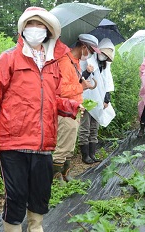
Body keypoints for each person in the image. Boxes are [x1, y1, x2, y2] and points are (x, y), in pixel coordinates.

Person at [0, 7, 81, 232]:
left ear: (48, 31)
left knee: (40, 196)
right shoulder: (9, 58)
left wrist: (72, 106)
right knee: (16, 197)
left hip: (43, 145)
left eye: (39, 25)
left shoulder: (52, 63)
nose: (34, 29)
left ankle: (36, 229)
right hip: (13, 143)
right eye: (30, 25)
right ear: (22, 29)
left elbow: (51, 100)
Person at [52, 34, 100, 182]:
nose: (90, 55)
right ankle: (55, 178)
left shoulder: (75, 62)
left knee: (69, 147)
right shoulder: (65, 62)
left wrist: (84, 84)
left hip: (75, 109)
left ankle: (65, 174)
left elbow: (73, 84)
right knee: (62, 147)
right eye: (91, 51)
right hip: (66, 111)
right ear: (84, 47)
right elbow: (60, 90)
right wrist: (81, 86)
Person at [78, 38, 116, 164]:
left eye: (107, 55)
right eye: (103, 53)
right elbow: (79, 80)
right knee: (85, 126)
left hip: (99, 99)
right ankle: (85, 155)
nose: (104, 57)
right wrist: (87, 72)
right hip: (86, 98)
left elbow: (108, 82)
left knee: (95, 126)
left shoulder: (104, 66)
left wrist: (107, 98)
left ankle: (92, 154)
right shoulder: (88, 61)